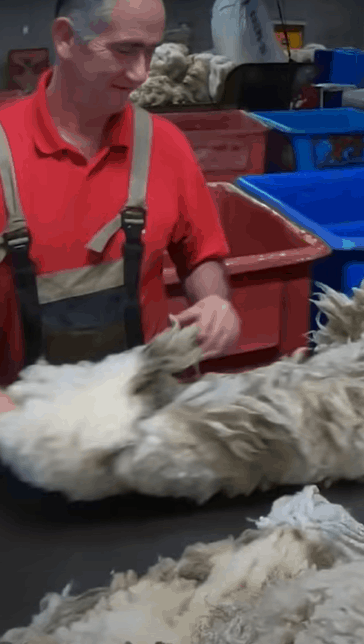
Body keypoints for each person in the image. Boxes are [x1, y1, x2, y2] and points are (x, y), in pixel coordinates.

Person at [0, 0, 242, 414]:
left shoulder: (166, 146)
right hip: (26, 436)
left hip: (139, 422)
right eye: (125, 50)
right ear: (65, 38)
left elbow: (201, 255)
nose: (141, 74)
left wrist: (216, 303)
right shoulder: (5, 149)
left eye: (150, 51)